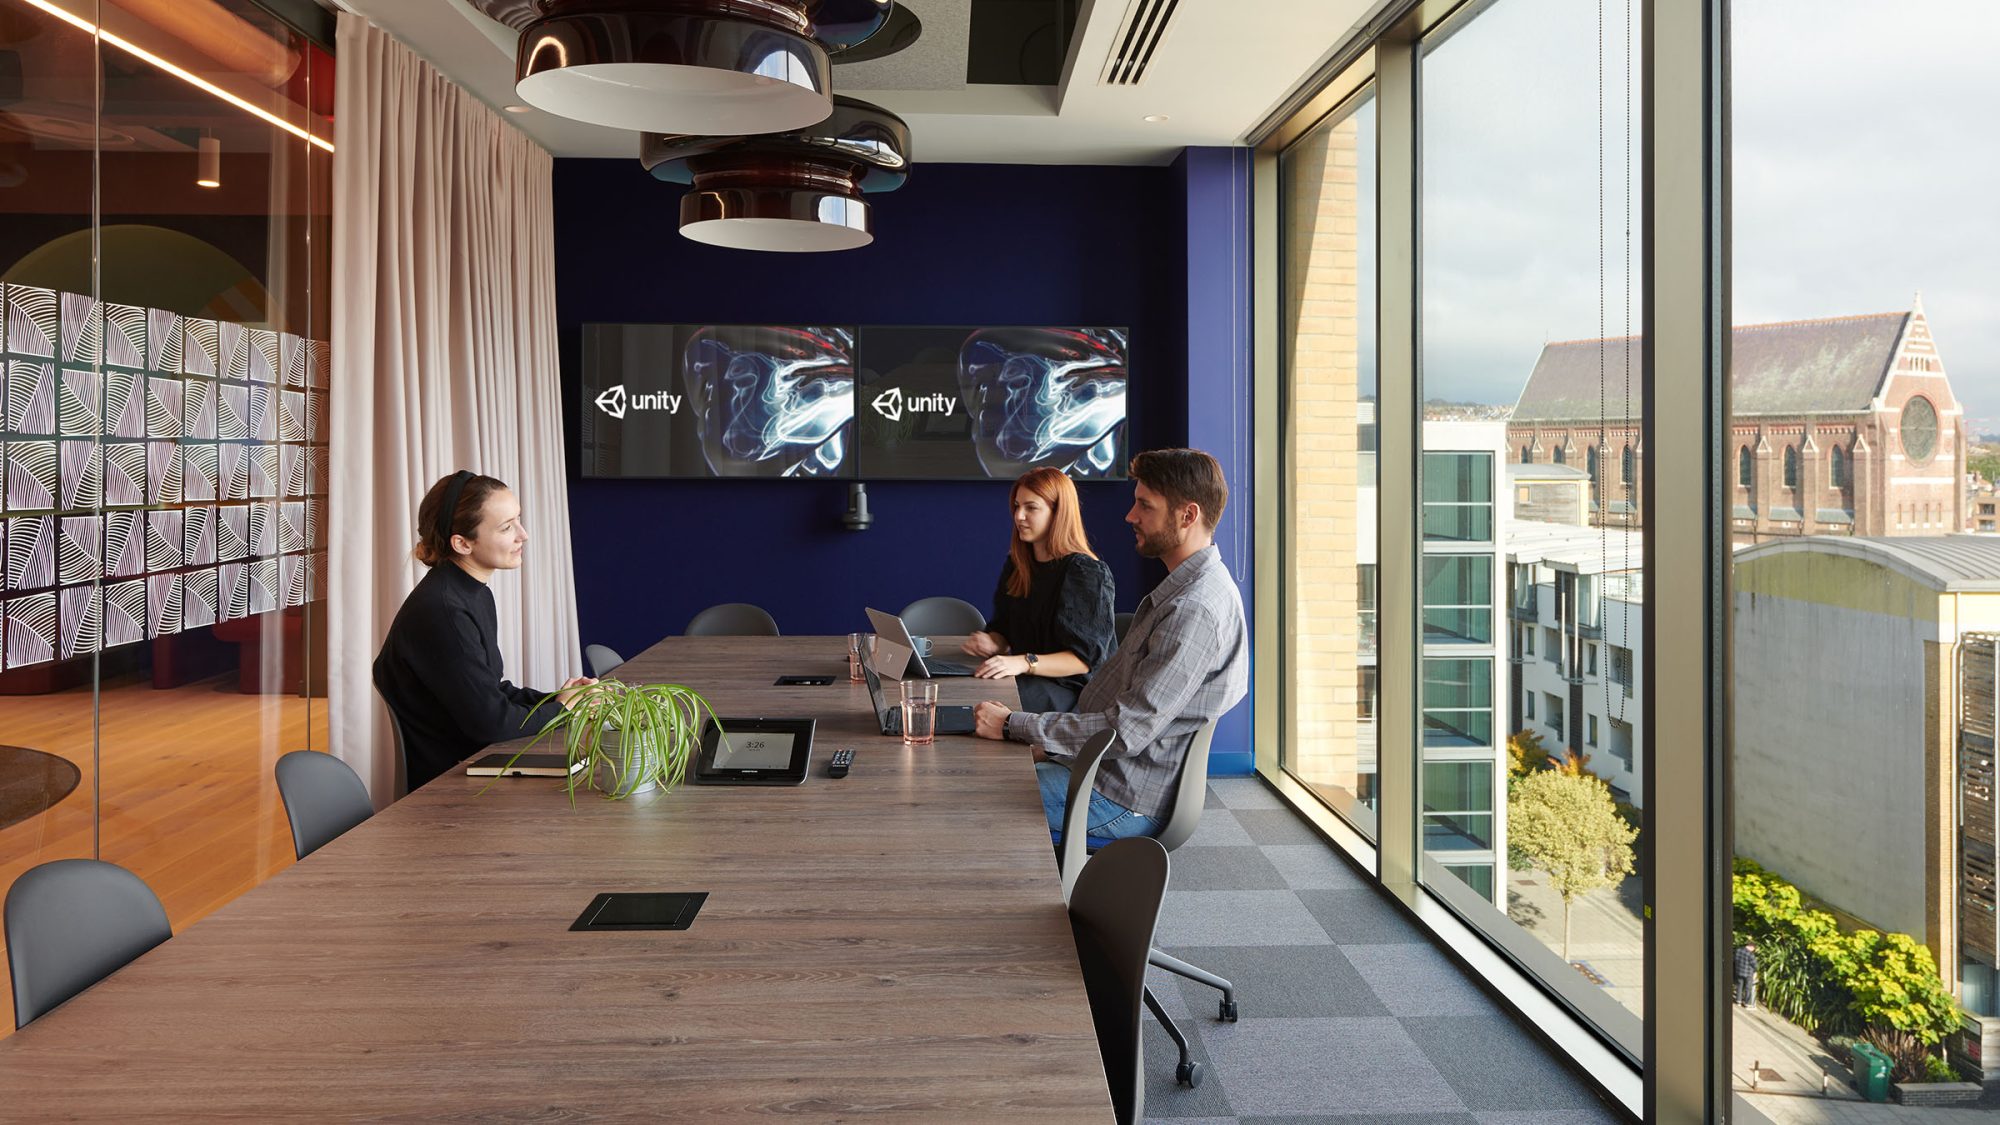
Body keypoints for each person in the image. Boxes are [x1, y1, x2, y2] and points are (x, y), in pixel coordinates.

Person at [974, 449, 1247, 840]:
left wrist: (1016, 725)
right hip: (1103, 767)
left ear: (1187, 516)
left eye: (1144, 506)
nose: (1130, 516)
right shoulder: (1183, 592)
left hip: (1119, 795)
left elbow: (1125, 731)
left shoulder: (1194, 609)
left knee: (966, 797)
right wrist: (1048, 746)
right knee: (978, 774)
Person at [374, 471, 594, 792]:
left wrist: (564, 701)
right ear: (462, 543)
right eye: (507, 527)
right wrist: (562, 709)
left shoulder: (469, 592)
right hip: (451, 792)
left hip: (477, 773)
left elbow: (493, 692)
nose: (524, 534)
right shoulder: (443, 610)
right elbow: (491, 723)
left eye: (518, 519)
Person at [962, 467, 1116, 714]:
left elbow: (1082, 661)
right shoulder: (1018, 564)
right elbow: (1003, 630)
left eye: (1031, 508)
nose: (1018, 516)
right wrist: (993, 642)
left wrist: (1023, 662)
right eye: (1016, 506)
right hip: (1031, 679)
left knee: (979, 703)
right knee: (968, 692)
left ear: (1058, 513)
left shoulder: (1086, 572)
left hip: (1074, 693)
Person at [1734, 938, 1760, 1008]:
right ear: (1752, 947)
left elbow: (1735, 960)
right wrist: (1756, 970)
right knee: (1748, 988)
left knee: (1739, 986)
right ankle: (1747, 1003)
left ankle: (1738, 1001)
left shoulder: (1738, 950)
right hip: (1748, 973)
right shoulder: (1750, 955)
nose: (1754, 950)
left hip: (1739, 971)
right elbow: (1755, 965)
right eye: (1754, 949)